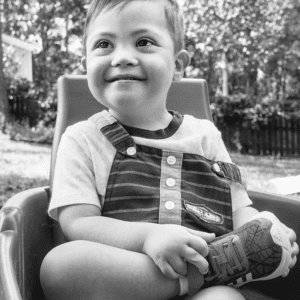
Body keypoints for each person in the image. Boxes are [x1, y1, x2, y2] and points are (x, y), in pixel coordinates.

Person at [40, 1, 298, 299]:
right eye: (104, 44)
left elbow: (237, 209)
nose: (122, 57)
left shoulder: (205, 136)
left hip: (204, 284)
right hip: (122, 281)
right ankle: (200, 275)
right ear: (85, 63)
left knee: (224, 298)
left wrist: (264, 232)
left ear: (177, 65)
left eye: (143, 42)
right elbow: (79, 222)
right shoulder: (83, 139)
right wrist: (149, 236)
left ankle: (207, 274)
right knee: (61, 265)